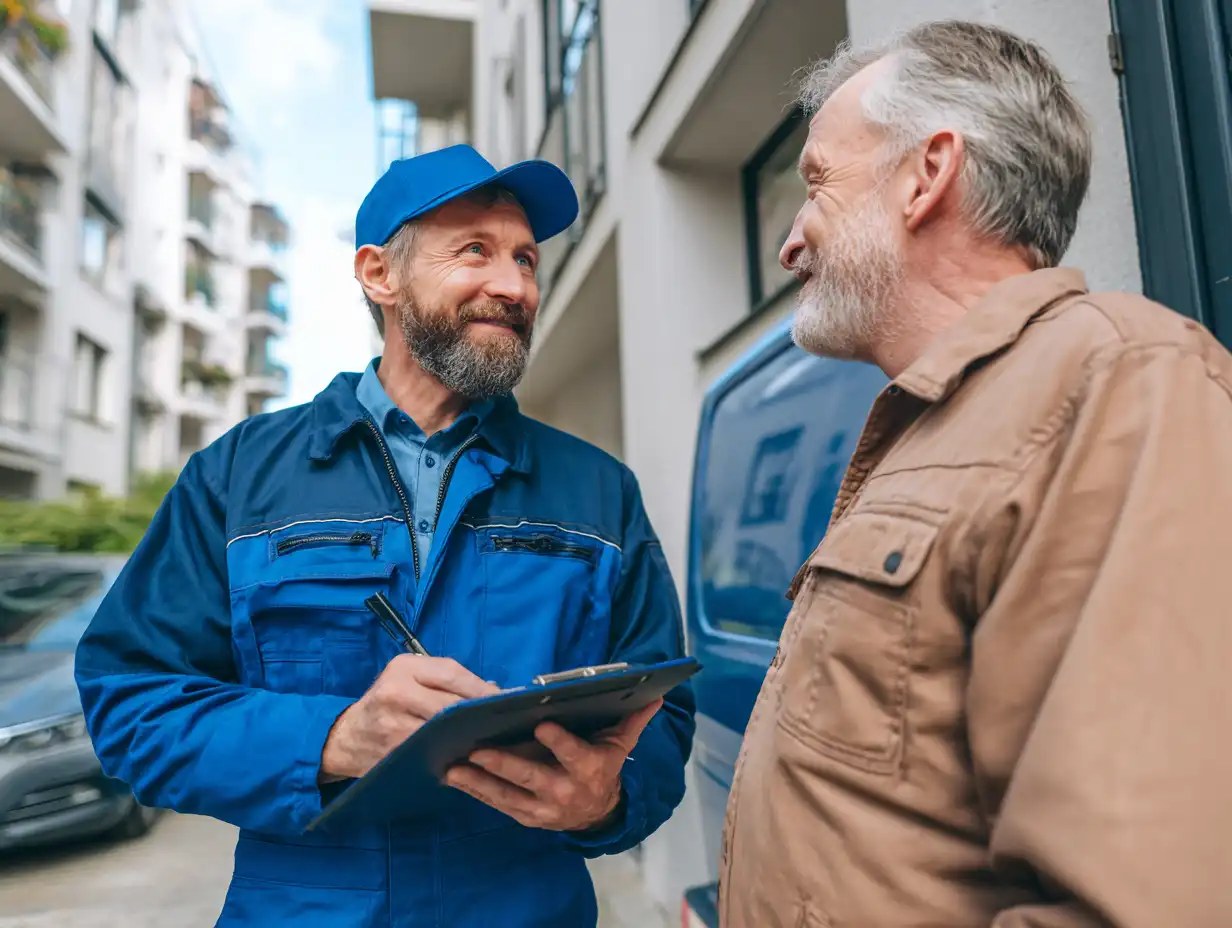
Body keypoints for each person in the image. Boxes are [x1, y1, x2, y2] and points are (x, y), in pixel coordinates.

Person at [75, 144, 695, 928]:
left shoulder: (600, 491)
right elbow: (132, 704)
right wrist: (330, 737)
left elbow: (664, 712)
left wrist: (609, 800)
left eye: (527, 259)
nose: (515, 286)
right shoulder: (239, 477)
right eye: (477, 251)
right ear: (379, 275)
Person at [721, 20, 1232, 928]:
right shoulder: (933, 426)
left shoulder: (1119, 384)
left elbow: (1138, 903)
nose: (792, 241)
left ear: (928, 175)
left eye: (816, 183)